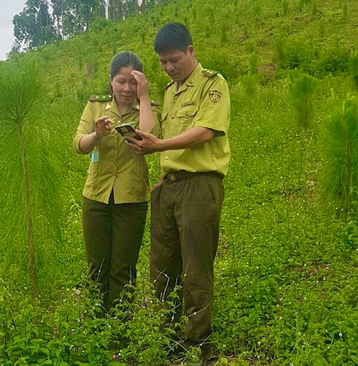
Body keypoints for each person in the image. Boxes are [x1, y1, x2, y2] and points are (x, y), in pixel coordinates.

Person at [125, 23, 230, 360]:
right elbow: (155, 132)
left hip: (199, 186)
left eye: (173, 60)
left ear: (190, 51)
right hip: (167, 188)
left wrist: (160, 145)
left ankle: (200, 343)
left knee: (196, 267)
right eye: (162, 63)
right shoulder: (169, 92)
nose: (169, 68)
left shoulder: (213, 84)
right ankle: (169, 341)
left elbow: (205, 132)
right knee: (162, 266)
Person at [72, 51, 158, 313]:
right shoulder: (96, 107)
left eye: (134, 82)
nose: (127, 88)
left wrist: (144, 98)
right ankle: (97, 329)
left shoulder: (148, 108)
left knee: (123, 268)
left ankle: (120, 333)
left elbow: (150, 136)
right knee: (97, 266)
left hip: (131, 199)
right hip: (96, 197)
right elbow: (79, 144)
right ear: (111, 81)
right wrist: (96, 135)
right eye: (121, 81)